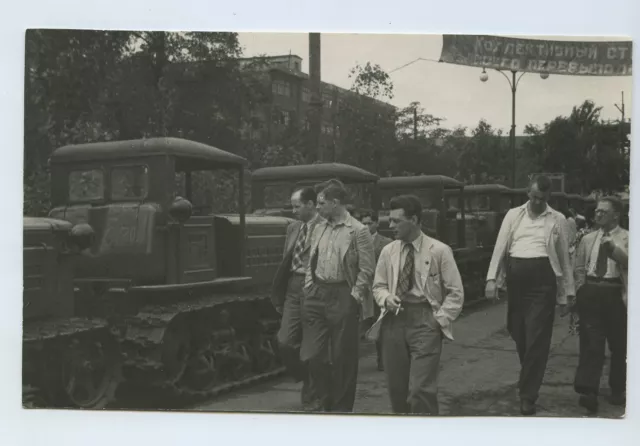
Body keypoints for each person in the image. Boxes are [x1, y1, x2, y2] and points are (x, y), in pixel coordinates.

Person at [485, 174, 574, 416]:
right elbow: (500, 247)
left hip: (543, 283)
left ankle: (528, 395)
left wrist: (568, 293)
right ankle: (531, 372)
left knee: (537, 339)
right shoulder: (514, 215)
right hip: (516, 282)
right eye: (534, 197)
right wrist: (492, 279)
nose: (537, 203)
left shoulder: (558, 219)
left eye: (541, 199)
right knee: (518, 331)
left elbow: (565, 258)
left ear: (548, 198)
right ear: (528, 193)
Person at [371, 195, 464, 415]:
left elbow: (456, 293)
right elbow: (378, 286)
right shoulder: (388, 251)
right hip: (394, 321)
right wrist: (386, 298)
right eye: (390, 220)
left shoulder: (439, 251)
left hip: (425, 321)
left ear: (413, 220)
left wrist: (437, 320)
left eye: (396, 221)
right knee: (397, 391)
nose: (390, 226)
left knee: (420, 390)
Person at [301, 180, 375, 412]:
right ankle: (325, 399)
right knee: (312, 354)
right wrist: (309, 286)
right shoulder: (318, 227)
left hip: (343, 293)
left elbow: (367, 268)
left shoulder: (358, 231)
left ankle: (341, 410)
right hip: (317, 293)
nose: (318, 207)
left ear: (335, 203)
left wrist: (354, 295)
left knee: (343, 356)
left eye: (322, 203)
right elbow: (310, 259)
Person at [573, 196, 628, 414]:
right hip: (592, 290)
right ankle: (589, 392)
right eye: (597, 211)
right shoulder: (588, 238)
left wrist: (614, 249)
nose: (598, 215)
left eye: (604, 212)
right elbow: (579, 266)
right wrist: (579, 290)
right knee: (591, 343)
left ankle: (618, 388)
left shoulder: (627, 237)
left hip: (615, 292)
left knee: (619, 344)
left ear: (616, 215)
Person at [270, 187, 323, 405]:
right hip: (293, 286)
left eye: (297, 206)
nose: (293, 211)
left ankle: (313, 388)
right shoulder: (293, 228)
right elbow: (287, 259)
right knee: (284, 341)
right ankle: (308, 377)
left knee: (312, 345)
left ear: (311, 204)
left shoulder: (325, 228)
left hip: (314, 287)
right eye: (292, 206)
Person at [360, 209, 392, 371]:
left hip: (379, 289)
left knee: (381, 325)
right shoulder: (355, 242)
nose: (366, 226)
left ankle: (383, 359)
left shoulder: (386, 243)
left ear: (376, 224)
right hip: (362, 290)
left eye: (369, 223)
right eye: (363, 223)